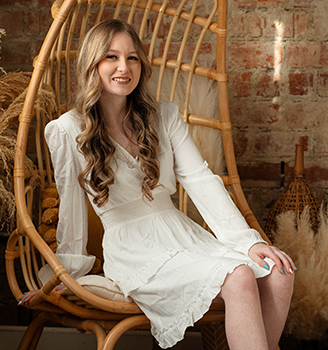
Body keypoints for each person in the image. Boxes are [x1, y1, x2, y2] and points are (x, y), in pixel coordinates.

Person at [22, 19, 295, 350]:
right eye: (112, 57)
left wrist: (246, 242)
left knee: (279, 275)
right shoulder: (68, 129)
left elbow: (201, 180)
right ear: (93, 63)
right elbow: (72, 209)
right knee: (239, 277)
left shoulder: (164, 116)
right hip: (133, 248)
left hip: (182, 235)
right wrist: (66, 275)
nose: (124, 67)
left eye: (133, 57)